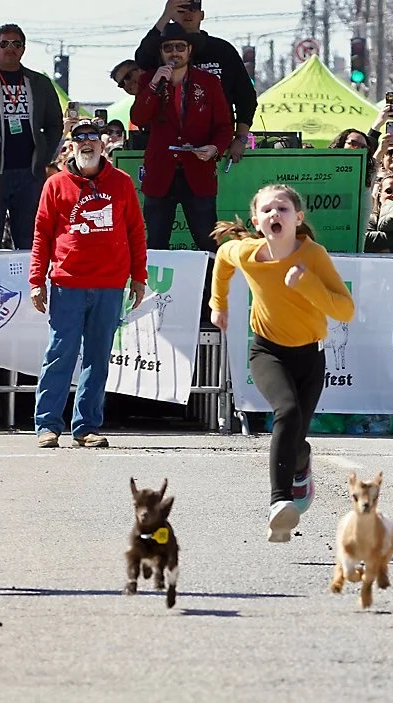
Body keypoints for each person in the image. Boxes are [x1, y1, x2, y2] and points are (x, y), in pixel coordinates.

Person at [208, 184, 355, 542]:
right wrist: (218, 304)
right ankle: (278, 502)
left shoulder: (314, 256)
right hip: (267, 351)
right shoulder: (246, 252)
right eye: (268, 210)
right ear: (257, 221)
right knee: (285, 413)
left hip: (311, 356)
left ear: (298, 218)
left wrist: (307, 284)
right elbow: (223, 260)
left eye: (284, 209)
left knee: (297, 436)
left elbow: (345, 310)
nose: (276, 215)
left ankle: (302, 461)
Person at [29, 121, 147, 449]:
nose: (86, 143)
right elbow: (42, 234)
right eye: (79, 138)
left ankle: (86, 426)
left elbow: (136, 231)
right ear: (71, 144)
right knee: (60, 353)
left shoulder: (122, 183)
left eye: (92, 137)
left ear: (102, 144)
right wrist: (36, 280)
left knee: (98, 357)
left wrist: (140, 277)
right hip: (68, 283)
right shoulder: (55, 185)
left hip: (110, 284)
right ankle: (47, 425)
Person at [131, 23, 233, 252]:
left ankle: (213, 288)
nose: (174, 52)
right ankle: (156, 288)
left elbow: (225, 126)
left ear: (189, 50)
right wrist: (156, 83)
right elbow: (138, 117)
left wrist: (214, 148)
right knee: (156, 242)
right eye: (168, 48)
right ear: (161, 52)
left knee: (209, 242)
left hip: (198, 171)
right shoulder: (149, 79)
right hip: (160, 173)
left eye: (180, 47)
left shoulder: (208, 82)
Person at [135, 0, 257, 164]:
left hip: (215, 147)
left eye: (193, 8)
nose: (187, 13)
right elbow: (142, 59)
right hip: (168, 152)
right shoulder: (162, 53)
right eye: (181, 9)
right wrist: (165, 16)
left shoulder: (222, 50)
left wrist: (240, 139)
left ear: (202, 15)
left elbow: (246, 97)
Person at [0, 24, 64, 249]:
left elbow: (54, 124)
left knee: (29, 241)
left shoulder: (39, 83)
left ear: (23, 49)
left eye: (16, 44)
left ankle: (29, 284)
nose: (10, 48)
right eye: (4, 44)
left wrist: (44, 158)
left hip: (30, 174)